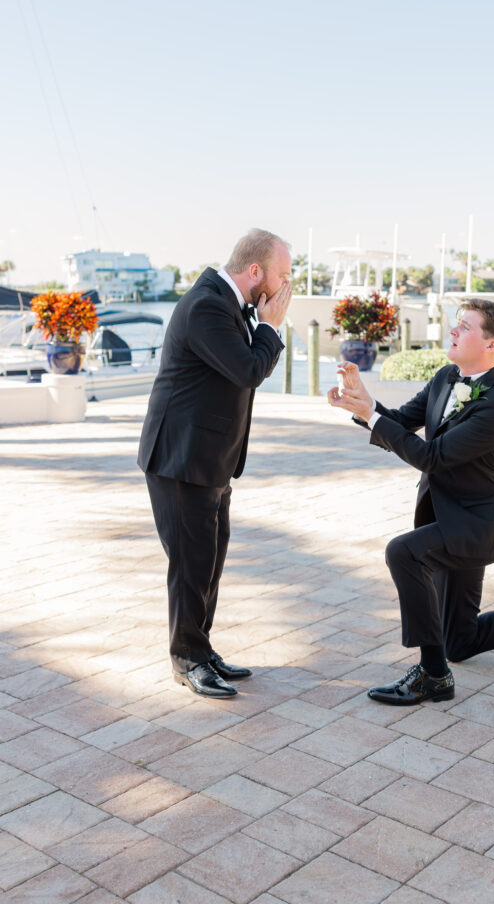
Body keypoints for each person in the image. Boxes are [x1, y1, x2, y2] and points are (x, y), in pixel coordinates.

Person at [328, 298, 494, 706]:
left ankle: (433, 675)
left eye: (464, 326)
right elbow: (400, 420)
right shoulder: (448, 377)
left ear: (490, 345)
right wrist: (364, 403)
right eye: (457, 323)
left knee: (404, 553)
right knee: (459, 641)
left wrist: (375, 419)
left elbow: (431, 457)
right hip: (449, 517)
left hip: (480, 525)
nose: (453, 330)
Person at [138, 229, 292, 698]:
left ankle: (201, 649)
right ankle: (186, 659)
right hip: (181, 459)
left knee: (209, 561)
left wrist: (263, 324)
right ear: (254, 272)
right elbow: (247, 369)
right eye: (282, 275)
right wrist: (271, 327)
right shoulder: (207, 304)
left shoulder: (226, 302)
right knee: (191, 564)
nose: (287, 286)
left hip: (210, 460)